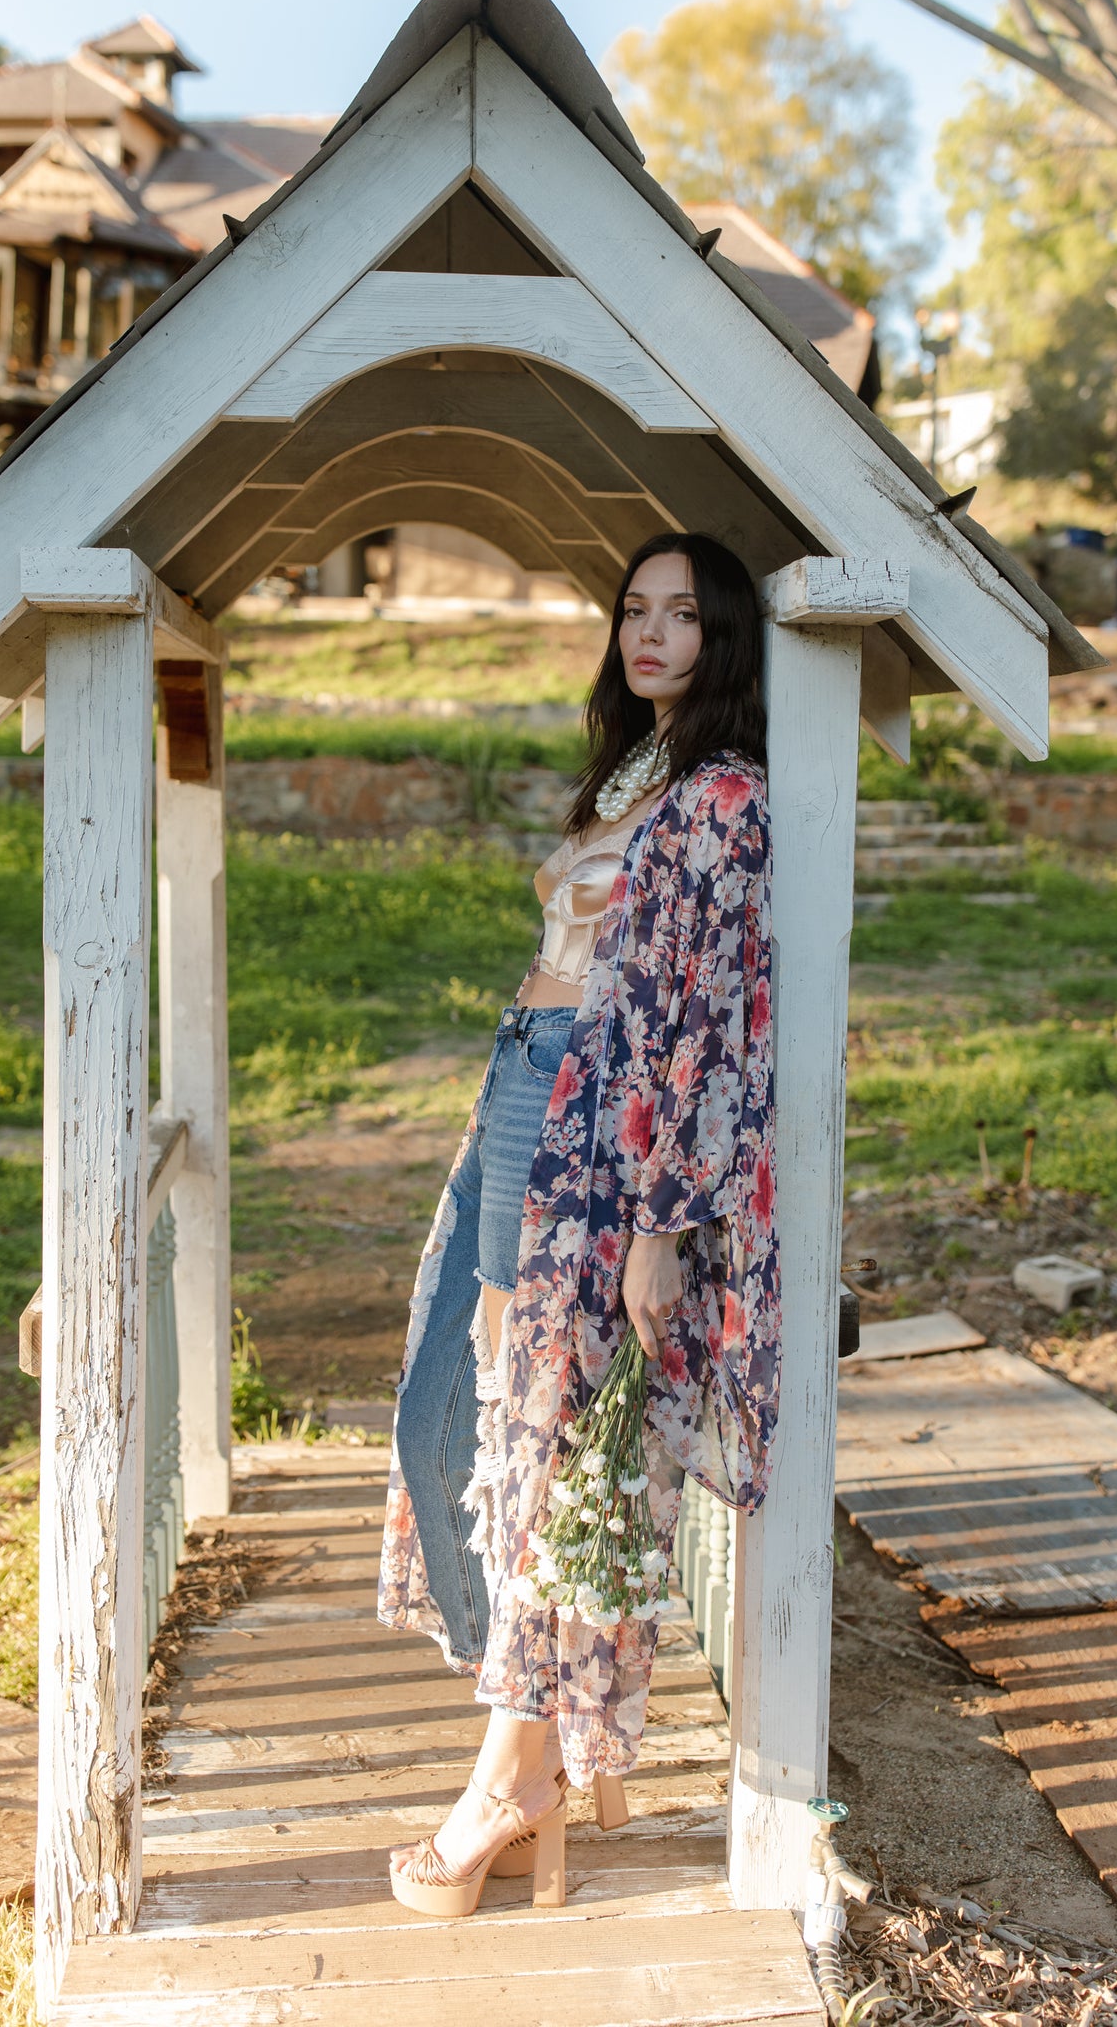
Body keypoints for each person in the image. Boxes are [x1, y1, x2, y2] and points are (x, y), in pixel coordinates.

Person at [378, 532, 781, 1917]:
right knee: (445, 1426)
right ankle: (534, 1730)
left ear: (726, 637)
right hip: (519, 1091)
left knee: (531, 1446)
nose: (650, 633)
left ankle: (515, 1767)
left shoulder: (725, 798)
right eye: (634, 610)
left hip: (600, 1131)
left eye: (682, 614)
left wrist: (662, 1221)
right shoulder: (627, 771)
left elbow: (701, 1027)